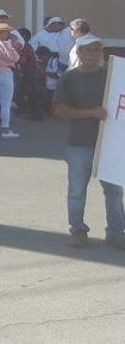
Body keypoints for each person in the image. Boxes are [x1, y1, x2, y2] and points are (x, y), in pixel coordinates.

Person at [54, 36, 124, 250]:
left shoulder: (113, 76)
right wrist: (91, 113)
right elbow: (59, 110)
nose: (94, 55)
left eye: (97, 50)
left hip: (109, 144)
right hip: (79, 143)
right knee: (77, 190)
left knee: (114, 190)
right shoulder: (69, 78)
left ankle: (116, 233)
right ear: (80, 53)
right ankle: (77, 230)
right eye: (89, 51)